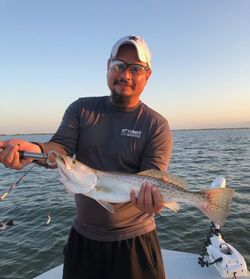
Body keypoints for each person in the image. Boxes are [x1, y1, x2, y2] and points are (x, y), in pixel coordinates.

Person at [0, 35, 173, 279]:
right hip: (83, 238)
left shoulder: (156, 125)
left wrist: (154, 200)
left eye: (136, 68)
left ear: (148, 75)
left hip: (136, 241)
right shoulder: (81, 109)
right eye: (119, 66)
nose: (126, 74)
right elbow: (59, 148)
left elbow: (153, 177)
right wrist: (34, 151)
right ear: (108, 67)